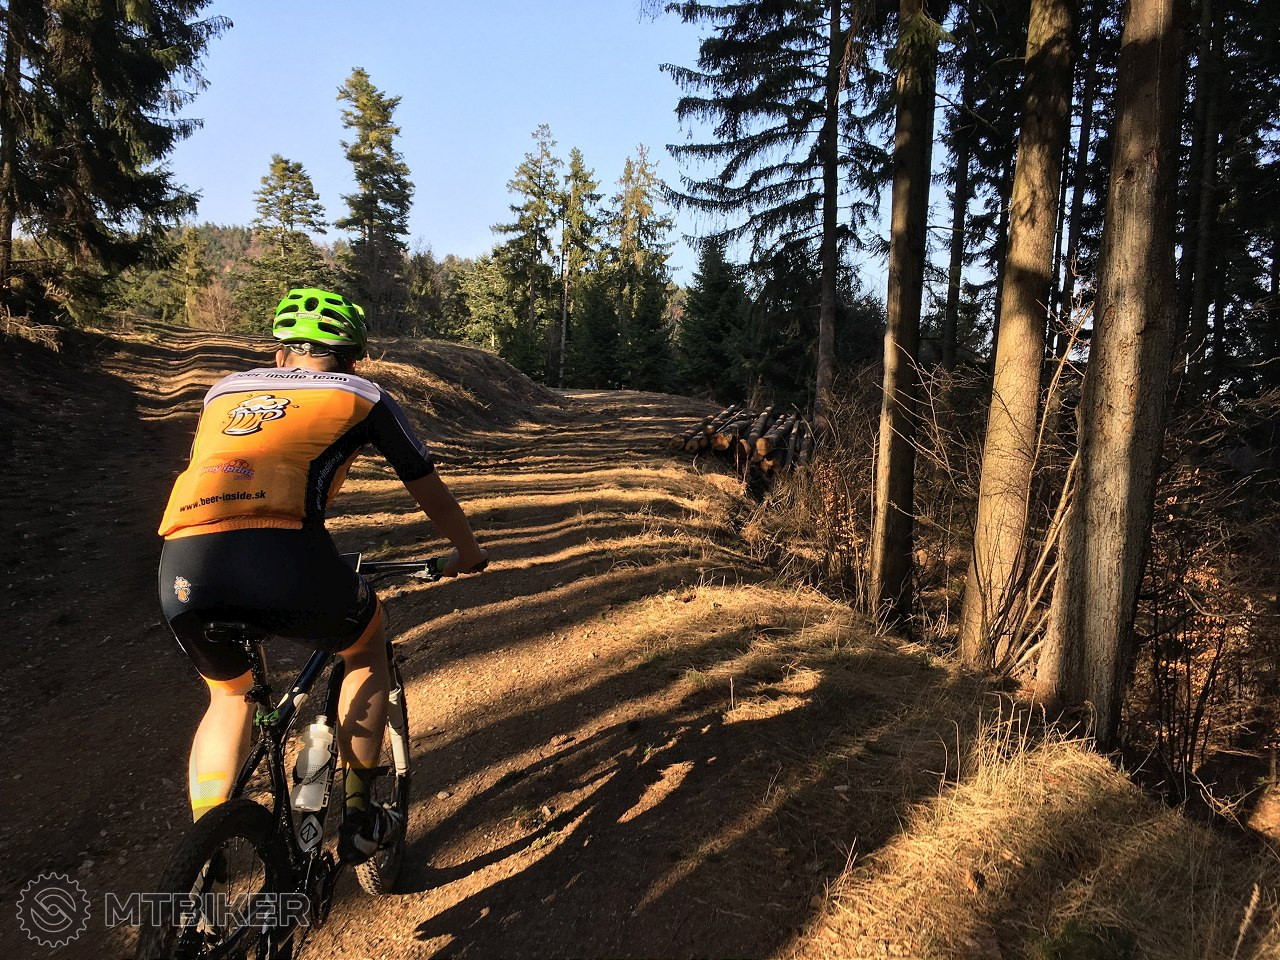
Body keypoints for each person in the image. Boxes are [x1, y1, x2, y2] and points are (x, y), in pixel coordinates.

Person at [157, 287, 486, 862]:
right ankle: (359, 815)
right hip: (283, 555)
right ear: (352, 360)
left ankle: (204, 853)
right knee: (365, 643)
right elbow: (425, 484)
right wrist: (466, 551)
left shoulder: (223, 391)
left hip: (182, 563)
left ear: (280, 355)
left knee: (229, 695)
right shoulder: (361, 394)